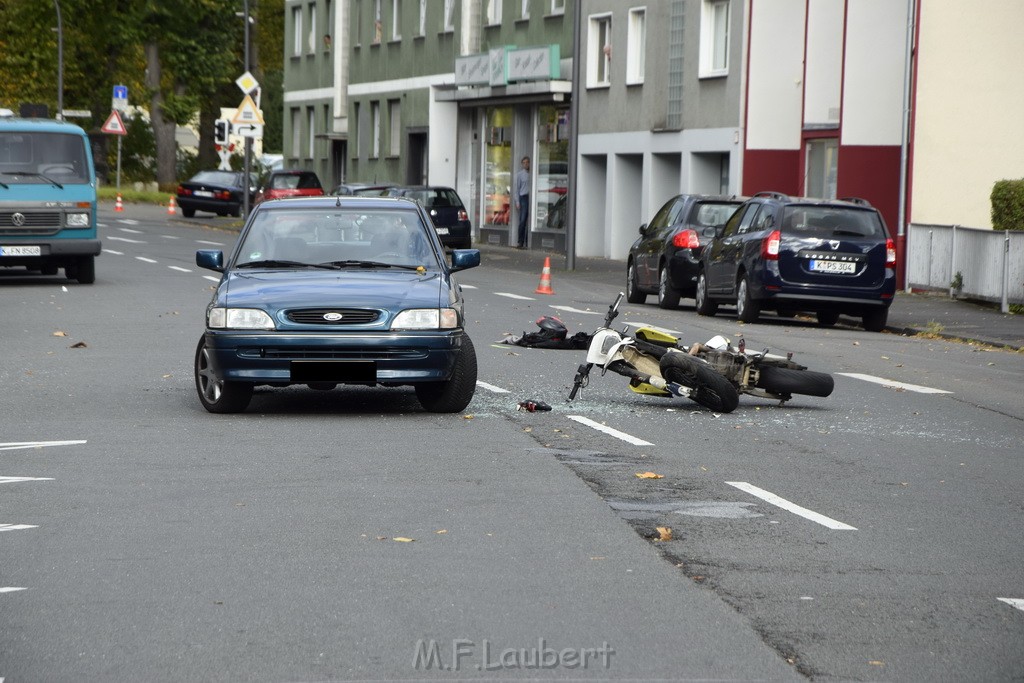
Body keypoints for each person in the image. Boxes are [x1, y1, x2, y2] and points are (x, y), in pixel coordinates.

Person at [514, 155, 531, 248]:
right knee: (523, 220)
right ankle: (520, 241)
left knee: (530, 221)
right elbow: (517, 189)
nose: (526, 164)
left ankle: (528, 241)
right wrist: (517, 202)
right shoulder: (520, 175)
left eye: (527, 162)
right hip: (523, 197)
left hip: (530, 197)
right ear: (522, 164)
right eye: (524, 163)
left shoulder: (532, 173)